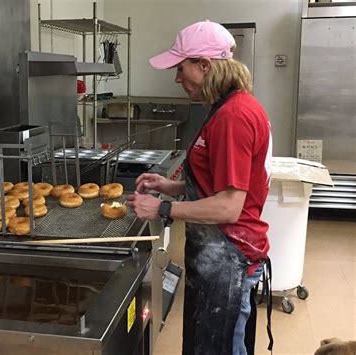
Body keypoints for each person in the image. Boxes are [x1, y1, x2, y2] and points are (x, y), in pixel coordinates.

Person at [126, 20, 273, 355]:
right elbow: (218, 182)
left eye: (181, 69)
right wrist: (173, 186)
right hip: (216, 257)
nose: (177, 79)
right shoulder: (225, 107)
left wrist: (162, 207)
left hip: (229, 258)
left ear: (205, 65)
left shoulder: (233, 117)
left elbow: (228, 206)